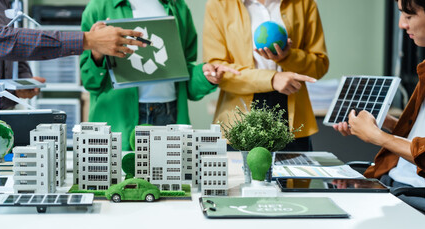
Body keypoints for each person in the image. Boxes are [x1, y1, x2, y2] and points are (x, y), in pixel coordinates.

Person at [80, 0, 239, 150]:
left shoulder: (177, 6)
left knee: (170, 175)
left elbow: (184, 71)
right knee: (123, 176)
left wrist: (204, 75)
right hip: (119, 120)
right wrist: (96, 51)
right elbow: (90, 82)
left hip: (169, 114)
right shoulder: (98, 7)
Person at [333, 0, 425, 210]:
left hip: (411, 195)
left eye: (409, 16)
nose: (402, 24)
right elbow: (417, 141)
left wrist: (378, 137)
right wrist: (386, 123)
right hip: (392, 182)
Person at [203, 0, 329, 151]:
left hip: (291, 113)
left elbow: (319, 66)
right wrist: (272, 78)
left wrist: (288, 56)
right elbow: (218, 69)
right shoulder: (219, 4)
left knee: (291, 173)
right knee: (241, 174)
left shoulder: (304, 4)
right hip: (238, 115)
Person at [0, 0, 146, 111]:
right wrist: (87, 40)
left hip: (1, 115)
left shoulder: (3, 2)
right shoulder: (98, 7)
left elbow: (12, 44)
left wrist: (21, 79)